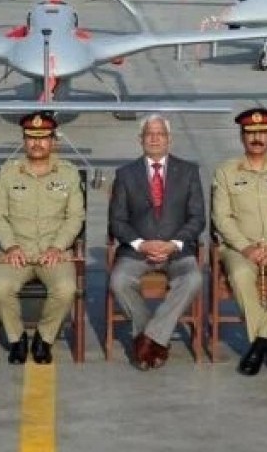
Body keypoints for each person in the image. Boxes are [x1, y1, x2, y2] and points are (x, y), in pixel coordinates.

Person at [108, 114, 205, 370]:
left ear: (169, 139)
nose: (154, 138)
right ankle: (153, 339)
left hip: (177, 251)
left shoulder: (188, 172)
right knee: (118, 281)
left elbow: (197, 219)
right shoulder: (126, 174)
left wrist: (174, 244)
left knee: (193, 279)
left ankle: (148, 340)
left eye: (159, 134)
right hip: (138, 251)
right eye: (149, 134)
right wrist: (141, 244)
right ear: (140, 140)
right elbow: (117, 221)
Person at [212, 107, 267, 376]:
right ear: (241, 137)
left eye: (262, 132)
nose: (257, 138)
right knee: (240, 274)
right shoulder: (226, 172)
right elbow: (222, 218)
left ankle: (261, 344)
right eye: (251, 133)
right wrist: (246, 248)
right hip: (240, 249)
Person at [0, 112, 84, 365]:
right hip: (16, 252)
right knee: (0, 289)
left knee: (65, 289)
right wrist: (10, 246)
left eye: (43, 138)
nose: (36, 143)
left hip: (54, 253)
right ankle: (17, 339)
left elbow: (75, 217)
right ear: (24, 140)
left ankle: (44, 338)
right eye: (31, 138)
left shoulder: (68, 174)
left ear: (54, 141)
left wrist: (57, 247)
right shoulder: (8, 173)